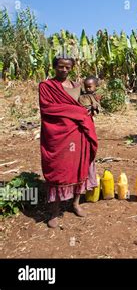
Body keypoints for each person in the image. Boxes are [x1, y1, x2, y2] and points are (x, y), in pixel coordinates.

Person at [39, 56, 98, 228]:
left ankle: (75, 204)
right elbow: (48, 108)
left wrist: (91, 108)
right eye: (60, 66)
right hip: (59, 135)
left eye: (67, 67)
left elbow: (87, 103)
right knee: (60, 170)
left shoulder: (78, 87)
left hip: (79, 134)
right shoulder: (47, 86)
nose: (64, 70)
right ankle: (55, 212)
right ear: (54, 67)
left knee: (80, 167)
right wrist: (78, 112)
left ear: (71, 68)